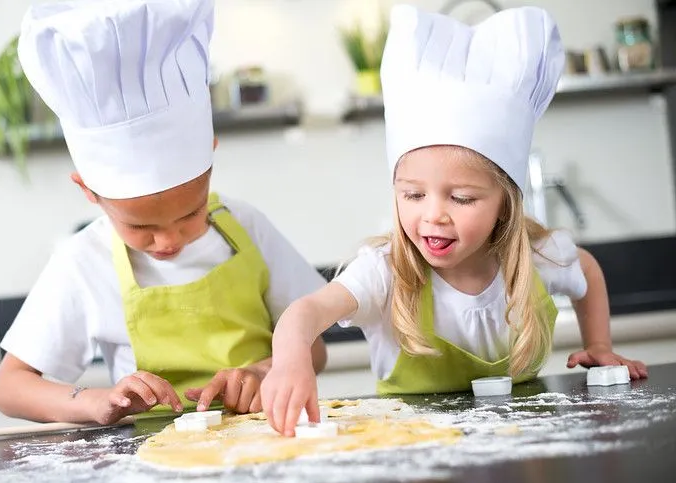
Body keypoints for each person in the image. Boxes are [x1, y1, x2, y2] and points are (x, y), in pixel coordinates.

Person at [261, 5, 648, 436]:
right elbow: (307, 311)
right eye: (412, 194)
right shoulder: (384, 271)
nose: (433, 215)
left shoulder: (539, 259)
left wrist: (599, 345)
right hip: (416, 460)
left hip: (526, 452)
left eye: (461, 198)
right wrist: (292, 357)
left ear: (505, 202)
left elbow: (587, 271)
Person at [0, 0, 327, 425]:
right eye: (140, 226)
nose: (170, 240)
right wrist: (94, 401)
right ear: (89, 192)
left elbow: (314, 345)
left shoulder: (247, 227)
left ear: (210, 155)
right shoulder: (85, 261)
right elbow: (9, 386)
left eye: (191, 213)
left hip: (269, 440)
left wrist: (266, 370)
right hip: (153, 462)